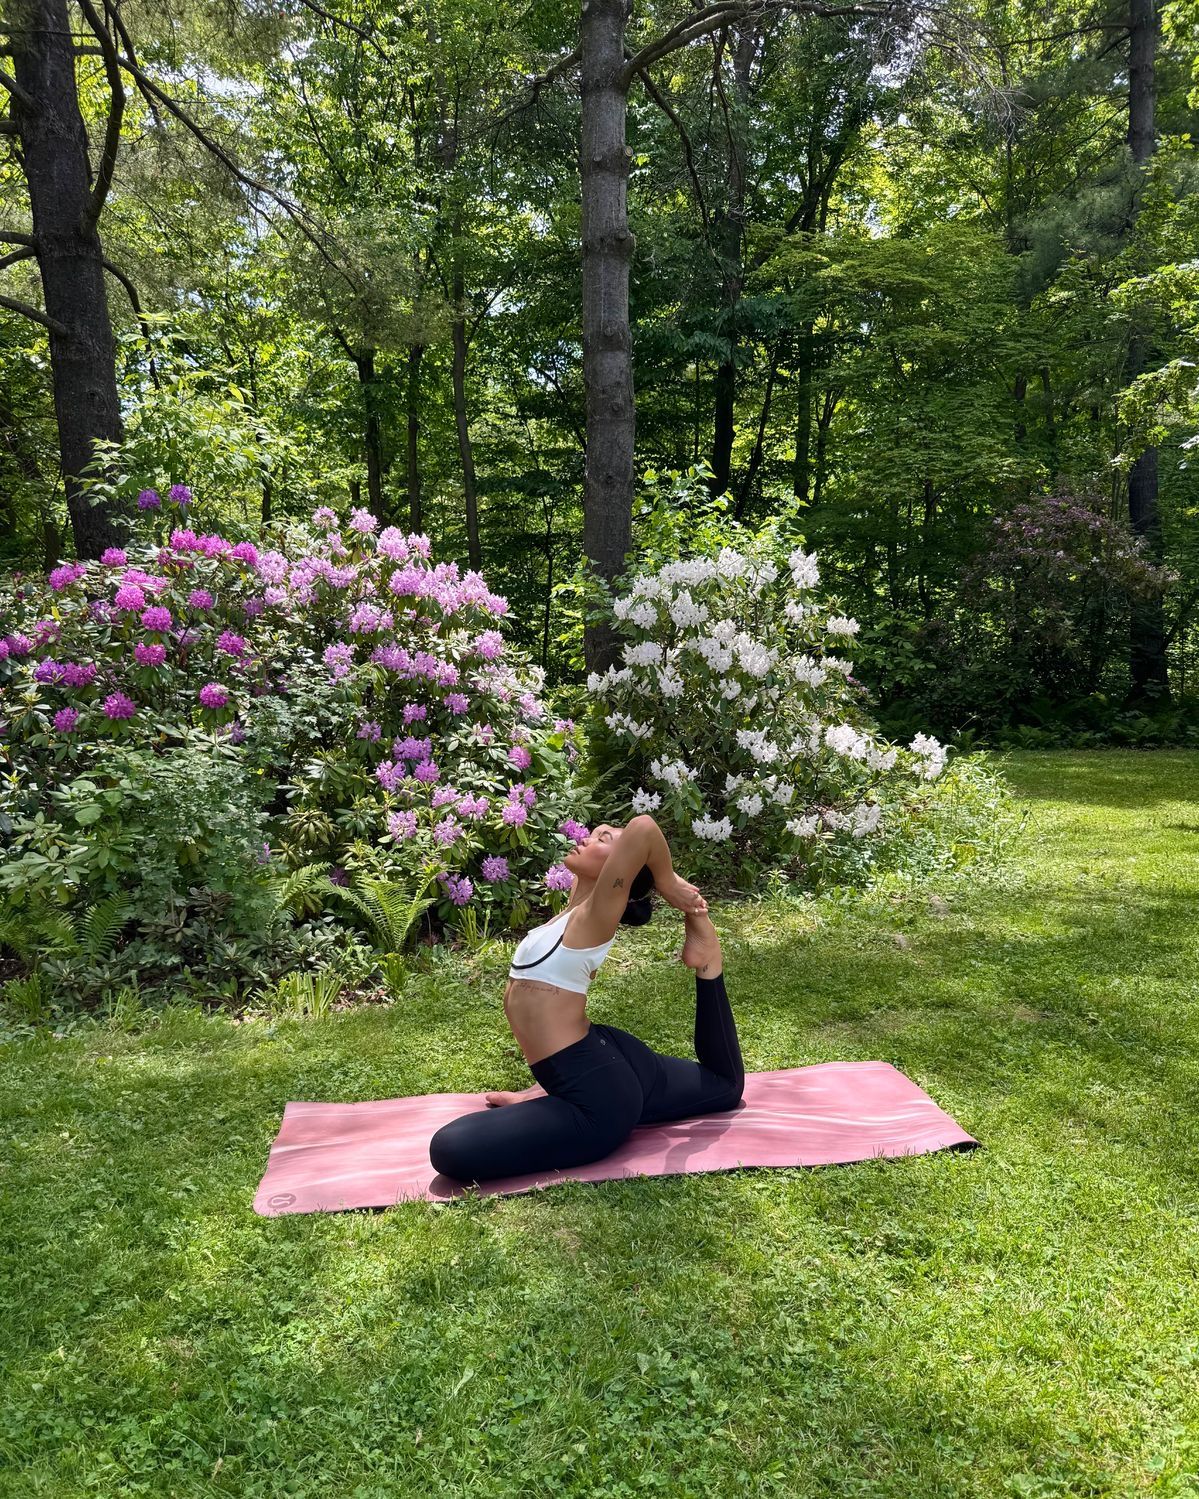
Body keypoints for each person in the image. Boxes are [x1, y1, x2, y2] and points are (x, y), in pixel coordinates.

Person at [428, 814, 745, 1185]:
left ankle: (709, 961)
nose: (589, 837)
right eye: (598, 834)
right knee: (721, 1086)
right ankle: (548, 1096)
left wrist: (667, 881)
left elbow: (643, 827)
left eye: (606, 839)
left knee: (448, 1147)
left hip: (600, 1102)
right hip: (602, 1056)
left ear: (619, 871)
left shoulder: (597, 915)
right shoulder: (571, 913)